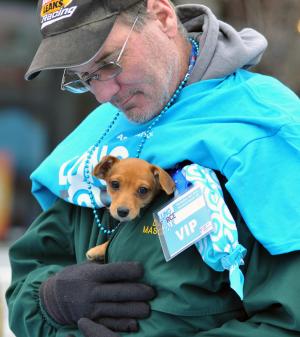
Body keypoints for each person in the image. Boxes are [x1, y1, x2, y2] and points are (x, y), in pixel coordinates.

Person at [6, 0, 300, 337]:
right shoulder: (100, 134)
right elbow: (26, 283)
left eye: (109, 62)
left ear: (161, 17)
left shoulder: (264, 130)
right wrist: (50, 300)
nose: (103, 94)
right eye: (83, 77)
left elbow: (289, 321)